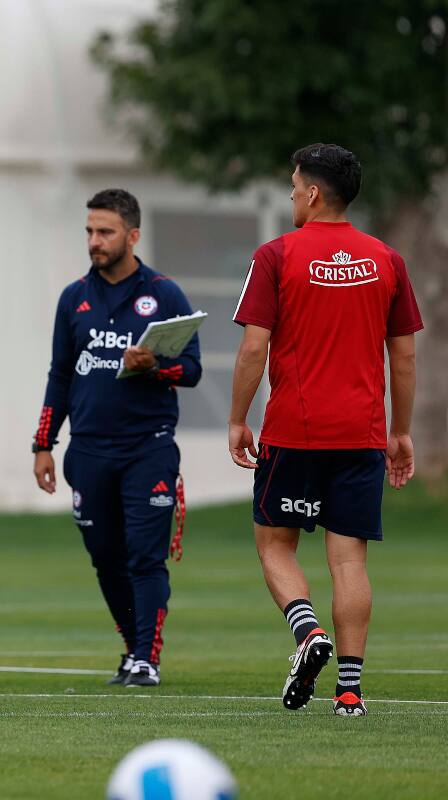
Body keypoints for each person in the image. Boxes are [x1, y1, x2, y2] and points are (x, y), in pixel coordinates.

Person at [230, 144, 422, 717]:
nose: (291, 195)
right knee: (350, 562)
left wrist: (239, 418)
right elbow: (405, 358)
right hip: (362, 432)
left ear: (313, 194)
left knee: (275, 545)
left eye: (293, 186)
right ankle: (350, 692)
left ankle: (308, 633)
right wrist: (401, 432)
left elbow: (254, 347)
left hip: (294, 430)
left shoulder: (276, 255)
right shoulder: (386, 260)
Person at [32, 189, 202, 688]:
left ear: (132, 235)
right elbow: (60, 375)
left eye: (105, 232)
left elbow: (190, 370)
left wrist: (156, 366)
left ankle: (147, 658)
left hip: (147, 446)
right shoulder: (73, 298)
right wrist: (43, 444)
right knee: (105, 558)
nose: (94, 241)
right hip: (87, 449)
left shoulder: (164, 295)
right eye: (89, 231)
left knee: (143, 556)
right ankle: (132, 650)